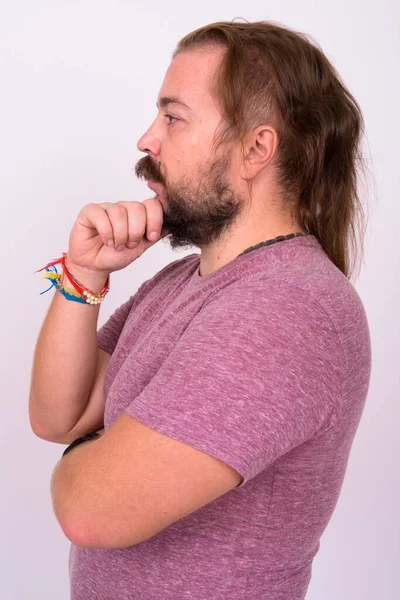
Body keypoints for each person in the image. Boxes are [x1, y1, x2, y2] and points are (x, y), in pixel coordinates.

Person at [30, 19, 372, 600]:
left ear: (256, 149)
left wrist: (82, 461)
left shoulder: (286, 309)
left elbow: (91, 512)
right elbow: (58, 417)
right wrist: (82, 274)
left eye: (173, 116)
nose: (147, 139)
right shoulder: (178, 282)